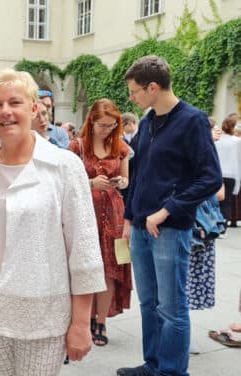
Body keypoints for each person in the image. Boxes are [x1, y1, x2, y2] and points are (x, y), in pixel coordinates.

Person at [0, 69, 105, 375]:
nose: (6, 112)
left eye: (15, 102)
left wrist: (81, 323)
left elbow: (85, 250)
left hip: (42, 315)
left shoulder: (63, 166)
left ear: (34, 108)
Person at [118, 55, 222, 376]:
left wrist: (167, 210)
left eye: (135, 91)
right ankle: (154, 364)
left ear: (152, 87)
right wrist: (129, 217)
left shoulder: (192, 121)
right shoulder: (147, 122)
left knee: (172, 308)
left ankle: (172, 372)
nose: (132, 98)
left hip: (170, 228)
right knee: (149, 304)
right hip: (139, 227)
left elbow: (210, 178)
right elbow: (138, 174)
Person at [68, 99, 132, 347]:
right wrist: (91, 183)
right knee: (85, 266)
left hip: (114, 213)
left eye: (112, 125)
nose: (108, 129)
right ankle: (83, 318)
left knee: (111, 270)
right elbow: (68, 183)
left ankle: (101, 320)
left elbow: (126, 179)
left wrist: (120, 182)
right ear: (91, 122)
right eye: (103, 125)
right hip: (85, 213)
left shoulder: (121, 147)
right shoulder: (77, 147)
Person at [187, 185, 225, 354]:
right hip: (182, 224)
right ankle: (178, 335)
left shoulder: (208, 159)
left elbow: (221, 192)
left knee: (186, 286)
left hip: (203, 225)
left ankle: (183, 336)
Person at [215, 114, 241, 228]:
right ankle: (223, 226)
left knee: (216, 201)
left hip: (217, 173)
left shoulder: (216, 141)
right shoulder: (237, 141)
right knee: (227, 201)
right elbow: (238, 160)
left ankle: (215, 224)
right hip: (231, 174)